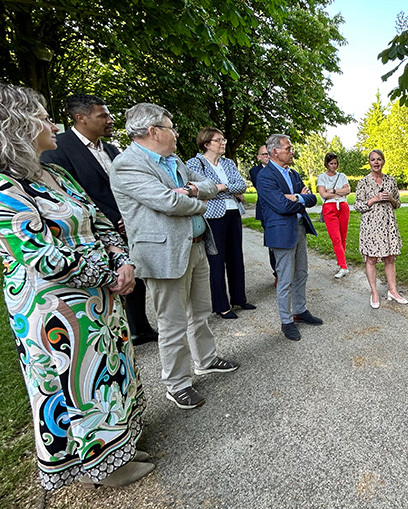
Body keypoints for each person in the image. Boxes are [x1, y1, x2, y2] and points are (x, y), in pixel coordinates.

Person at [0, 84, 152, 489]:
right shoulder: (4, 188)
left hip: (98, 302)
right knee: (75, 384)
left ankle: (118, 444)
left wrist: (123, 259)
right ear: (16, 127)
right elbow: (42, 256)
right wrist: (111, 269)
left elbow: (99, 220)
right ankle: (99, 465)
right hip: (54, 313)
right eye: (42, 117)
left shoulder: (56, 172)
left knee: (109, 373)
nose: (52, 124)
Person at [110, 103, 239, 410]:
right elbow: (168, 202)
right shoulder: (128, 164)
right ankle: (177, 383)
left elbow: (208, 184)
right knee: (172, 322)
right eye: (171, 128)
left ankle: (205, 359)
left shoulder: (174, 160)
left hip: (195, 245)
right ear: (154, 131)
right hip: (163, 253)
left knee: (201, 311)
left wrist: (191, 190)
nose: (177, 133)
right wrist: (199, 203)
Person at [40, 94, 159, 346]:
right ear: (81, 118)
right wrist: (114, 220)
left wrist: (129, 216)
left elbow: (127, 187)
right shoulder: (59, 148)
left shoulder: (112, 149)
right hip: (92, 232)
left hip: (127, 225)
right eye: (102, 115)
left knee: (132, 275)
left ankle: (138, 326)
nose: (110, 120)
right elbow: (76, 193)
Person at [256, 133, 323, 341]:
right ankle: (286, 321)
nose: (292, 151)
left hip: (299, 227)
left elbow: (312, 198)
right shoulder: (265, 176)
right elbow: (281, 205)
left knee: (301, 273)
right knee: (284, 279)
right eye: (288, 148)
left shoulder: (292, 173)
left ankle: (300, 310)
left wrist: (298, 197)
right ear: (275, 151)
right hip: (281, 232)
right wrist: (298, 199)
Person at [186, 127, 255, 319]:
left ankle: (239, 298)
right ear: (207, 143)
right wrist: (228, 190)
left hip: (233, 213)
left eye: (223, 139)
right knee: (216, 261)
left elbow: (242, 185)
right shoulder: (195, 163)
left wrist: (221, 187)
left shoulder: (228, 163)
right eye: (218, 140)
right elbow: (198, 189)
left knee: (236, 257)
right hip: (212, 216)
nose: (223, 142)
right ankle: (221, 305)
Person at [354, 149, 406, 308]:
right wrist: (373, 199)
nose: (376, 162)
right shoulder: (363, 182)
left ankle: (393, 290)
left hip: (388, 224)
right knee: (371, 259)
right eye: (372, 160)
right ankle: (375, 293)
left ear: (383, 161)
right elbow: (357, 206)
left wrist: (390, 198)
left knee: (390, 258)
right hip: (370, 225)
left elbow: (397, 204)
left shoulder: (391, 181)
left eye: (379, 159)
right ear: (369, 162)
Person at [317, 152, 351, 279]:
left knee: (343, 237)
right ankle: (343, 266)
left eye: (335, 163)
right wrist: (338, 193)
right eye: (331, 163)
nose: (333, 166)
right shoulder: (322, 177)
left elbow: (347, 190)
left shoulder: (342, 176)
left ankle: (341, 263)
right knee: (335, 238)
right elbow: (323, 195)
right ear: (326, 164)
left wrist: (334, 191)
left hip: (342, 206)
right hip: (329, 208)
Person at [249, 144, 278, 283]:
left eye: (269, 154)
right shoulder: (255, 171)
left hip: (281, 210)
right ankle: (277, 273)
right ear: (259, 157)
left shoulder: (280, 168)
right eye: (264, 154)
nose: (268, 156)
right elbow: (264, 186)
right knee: (272, 243)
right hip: (265, 211)